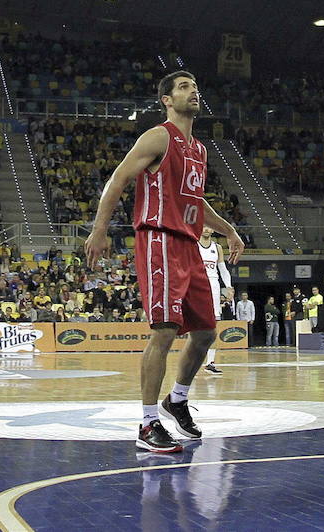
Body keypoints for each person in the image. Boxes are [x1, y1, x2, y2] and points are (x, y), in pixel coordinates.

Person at [84, 71, 245, 454]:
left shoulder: (200, 149)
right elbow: (118, 180)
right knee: (165, 330)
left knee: (206, 332)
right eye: (184, 87)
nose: (194, 91)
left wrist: (230, 231)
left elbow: (195, 201)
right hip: (158, 239)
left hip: (188, 244)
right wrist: (99, 229)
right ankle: (146, 422)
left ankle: (178, 398)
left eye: (195, 85)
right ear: (166, 100)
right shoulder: (157, 137)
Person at [197, 226, 232, 374]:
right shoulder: (193, 245)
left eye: (209, 227)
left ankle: (210, 362)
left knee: (213, 326)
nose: (206, 229)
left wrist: (229, 287)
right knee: (196, 327)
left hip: (214, 287)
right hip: (197, 286)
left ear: (213, 230)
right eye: (204, 226)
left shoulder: (217, 247)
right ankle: (193, 360)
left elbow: (223, 269)